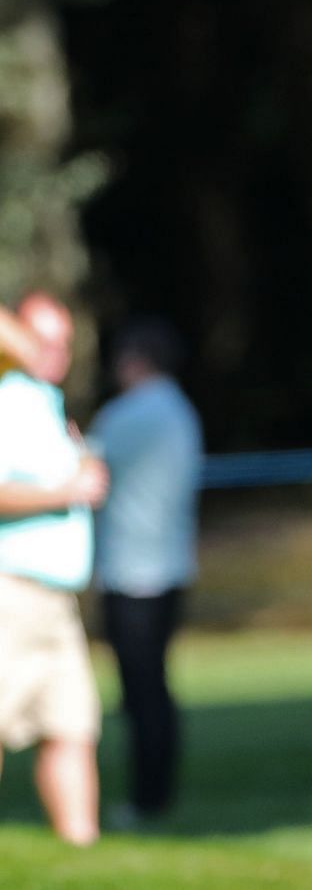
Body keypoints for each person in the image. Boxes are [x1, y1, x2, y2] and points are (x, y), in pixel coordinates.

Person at [0, 294, 108, 846]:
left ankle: (79, 852)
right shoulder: (7, 399)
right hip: (10, 592)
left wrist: (84, 467)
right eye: (42, 339)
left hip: (57, 598)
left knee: (72, 725)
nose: (54, 352)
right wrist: (64, 491)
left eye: (64, 342)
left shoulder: (47, 403)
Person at [88, 318, 203, 822]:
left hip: (131, 571)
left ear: (136, 361)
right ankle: (158, 793)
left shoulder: (126, 415)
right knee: (155, 685)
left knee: (142, 692)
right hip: (172, 567)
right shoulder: (182, 411)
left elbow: (81, 468)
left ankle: (146, 799)